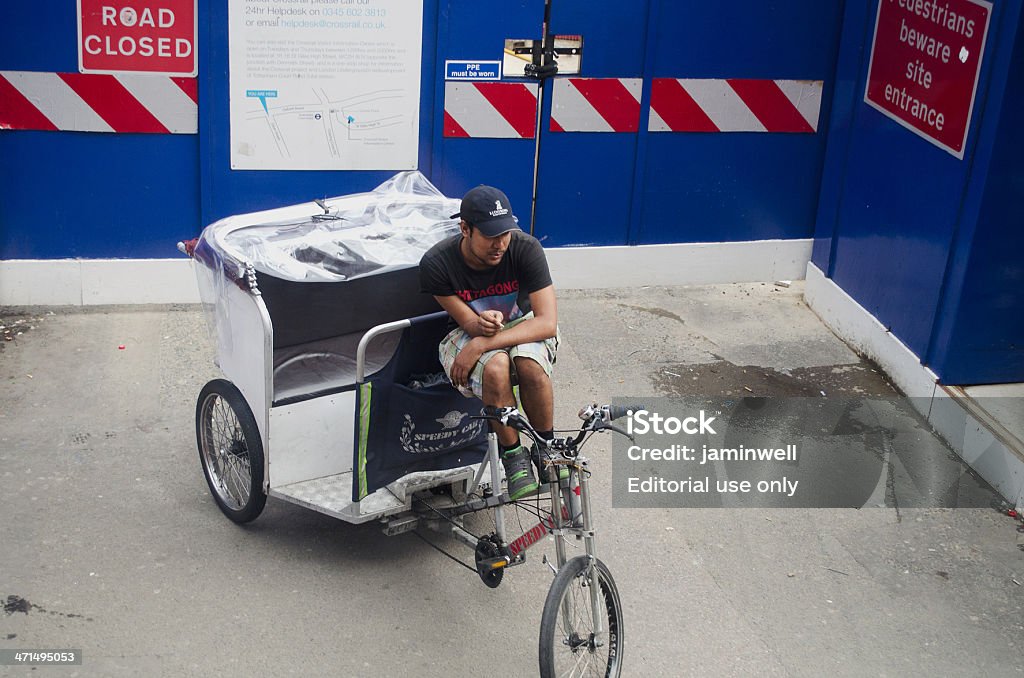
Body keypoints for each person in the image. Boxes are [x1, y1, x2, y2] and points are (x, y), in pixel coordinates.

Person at [419, 185, 561, 500]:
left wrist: (481, 345)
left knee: (530, 364)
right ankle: (514, 459)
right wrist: (479, 330)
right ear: (465, 229)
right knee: (496, 368)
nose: (500, 244)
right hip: (465, 332)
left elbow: (547, 322)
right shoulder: (437, 263)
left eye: (505, 234)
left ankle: (545, 447)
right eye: (490, 236)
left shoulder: (526, 248)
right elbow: (466, 322)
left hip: (523, 325)